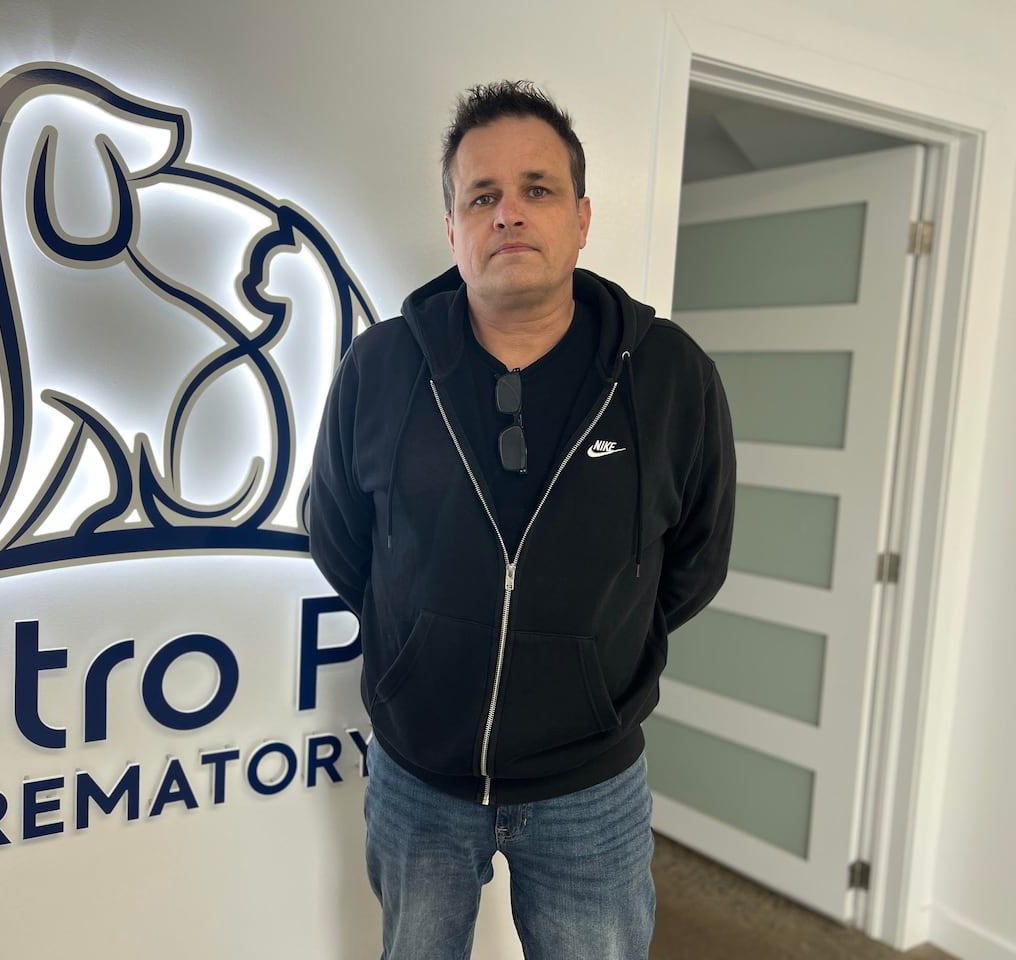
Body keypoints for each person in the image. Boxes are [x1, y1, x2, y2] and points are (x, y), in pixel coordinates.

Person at [308, 80, 735, 959]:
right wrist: (420, 639)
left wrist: (593, 660)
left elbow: (695, 556)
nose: (509, 214)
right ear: (455, 226)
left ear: (581, 217)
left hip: (591, 786)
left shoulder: (667, 376)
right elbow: (340, 540)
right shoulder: (380, 367)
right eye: (483, 196)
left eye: (536, 189)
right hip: (418, 776)